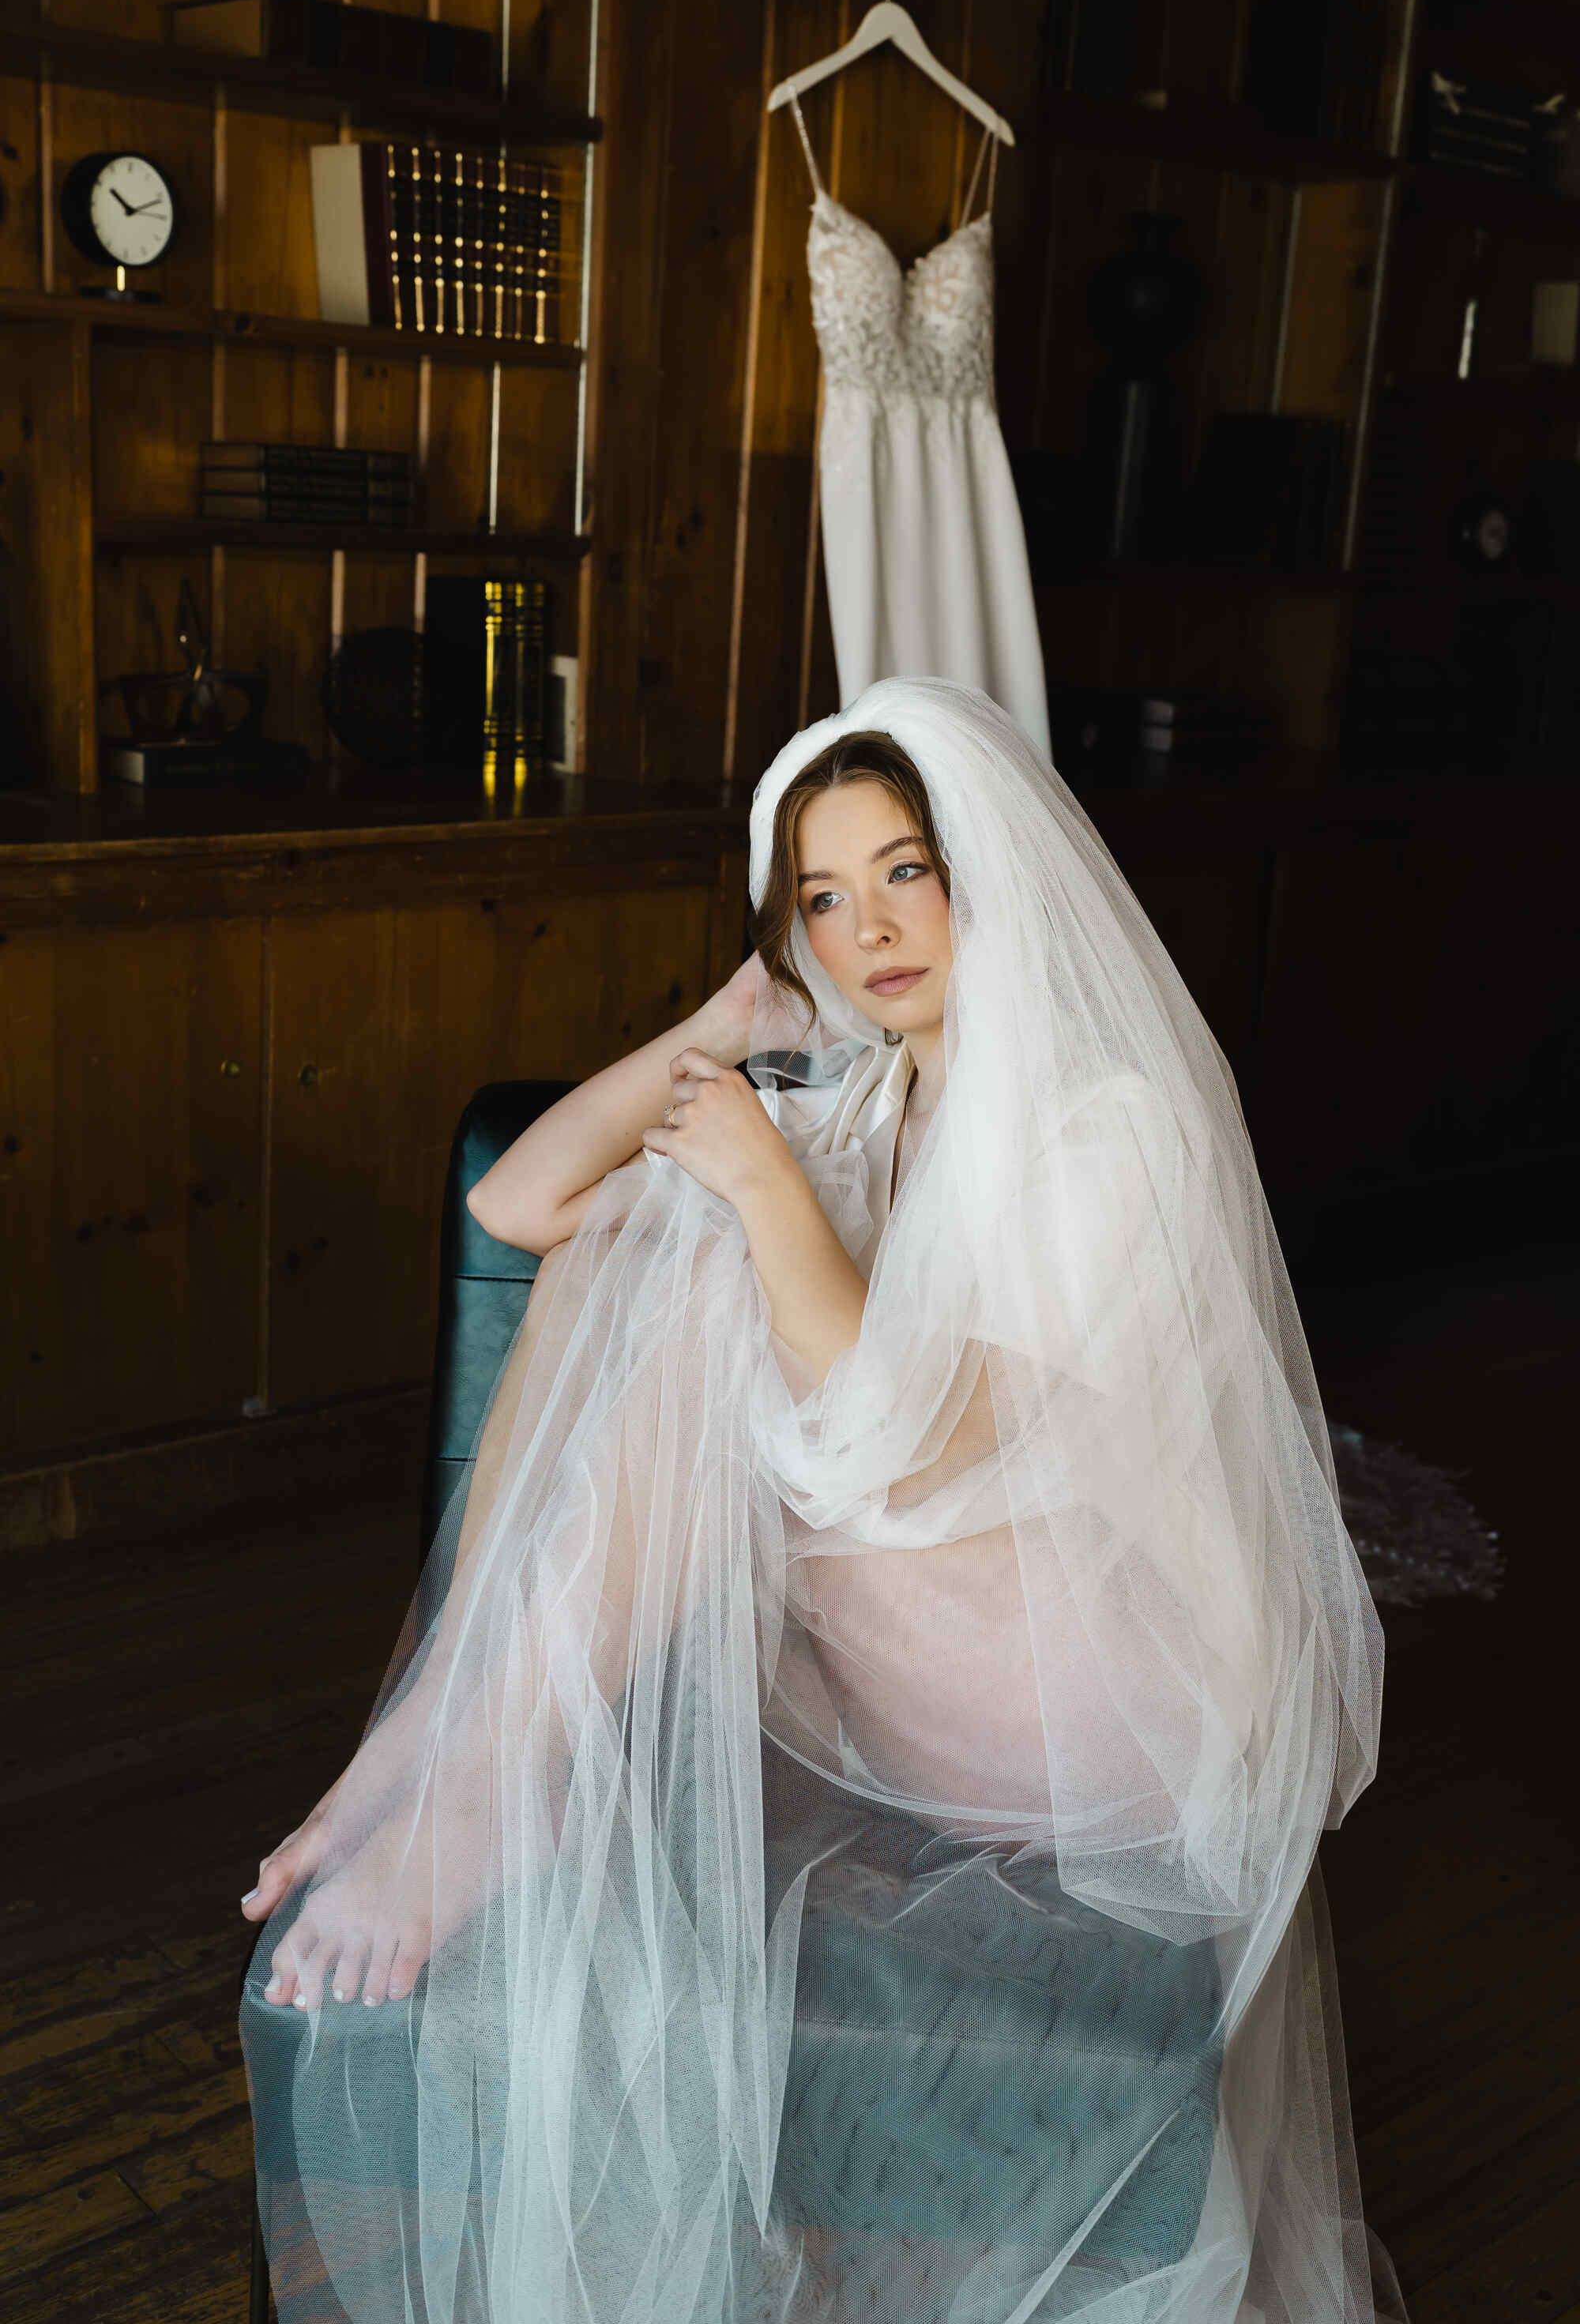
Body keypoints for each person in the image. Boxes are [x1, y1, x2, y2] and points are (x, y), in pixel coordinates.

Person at [239, 677, 1400, 2324]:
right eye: (822, 897)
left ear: (985, 875)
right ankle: (457, 1751)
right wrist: (719, 1040)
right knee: (649, 1239)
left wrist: (764, 1189)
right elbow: (526, 1198)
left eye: (905, 872)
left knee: (707, 1259)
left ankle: (475, 1766)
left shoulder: (1106, 1134)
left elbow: (917, 1447)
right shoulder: (870, 1092)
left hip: (1107, 1704)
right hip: (944, 1661)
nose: (869, 929)